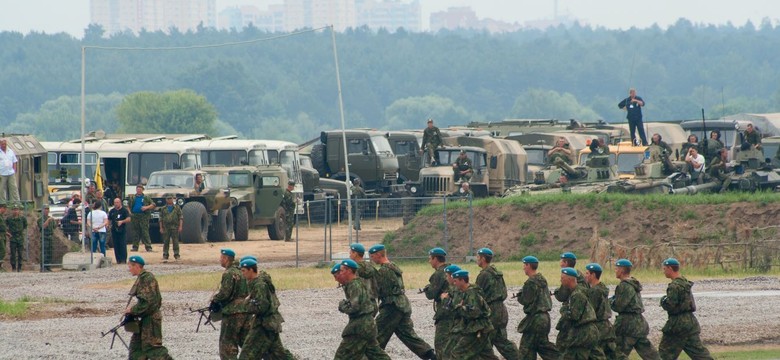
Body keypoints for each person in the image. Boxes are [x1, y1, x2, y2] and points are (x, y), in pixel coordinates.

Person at [368, 244, 436, 360]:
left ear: (379, 255)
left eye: (373, 256)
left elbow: (381, 290)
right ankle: (430, 356)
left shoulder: (384, 271)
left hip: (391, 307)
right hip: (402, 305)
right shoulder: (393, 267)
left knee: (375, 336)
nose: (372, 259)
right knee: (408, 335)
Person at [334, 259, 391, 360]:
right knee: (376, 354)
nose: (340, 273)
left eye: (342, 271)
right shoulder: (357, 283)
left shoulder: (354, 285)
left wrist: (342, 306)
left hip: (360, 326)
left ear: (349, 271)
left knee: (342, 355)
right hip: (368, 325)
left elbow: (354, 307)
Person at [659, 258, 713, 360]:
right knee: (699, 353)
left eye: (664, 268)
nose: (664, 271)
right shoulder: (685, 282)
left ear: (670, 268)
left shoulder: (674, 286)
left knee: (665, 353)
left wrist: (663, 301)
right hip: (690, 322)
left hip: (677, 324)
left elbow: (671, 306)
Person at [238, 257, 291, 360]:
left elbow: (261, 307)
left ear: (251, 270)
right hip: (270, 324)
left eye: (244, 271)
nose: (242, 274)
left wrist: (246, 303)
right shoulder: (257, 282)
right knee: (278, 354)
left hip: (264, 325)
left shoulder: (259, 285)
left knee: (246, 355)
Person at [125, 255, 173, 359]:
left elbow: (146, 302)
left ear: (137, 266)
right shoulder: (142, 278)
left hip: (150, 320)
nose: (129, 269)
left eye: (130, 266)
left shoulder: (146, 279)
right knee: (136, 350)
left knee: (152, 349)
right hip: (144, 319)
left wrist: (132, 310)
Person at [475, 247, 519, 359]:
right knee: (501, 340)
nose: (477, 259)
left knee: (483, 342)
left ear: (483, 259)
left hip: (491, 310)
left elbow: (477, 295)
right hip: (501, 309)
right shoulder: (497, 273)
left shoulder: (484, 275)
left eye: (478, 257)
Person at [611, 259, 660, 360]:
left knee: (617, 353)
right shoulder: (633, 284)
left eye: (616, 269)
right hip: (639, 323)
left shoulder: (624, 286)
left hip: (627, 325)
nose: (615, 271)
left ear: (621, 270)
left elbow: (619, 306)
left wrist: (611, 302)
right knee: (650, 355)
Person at [516, 255, 560, 360]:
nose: (523, 268)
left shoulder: (530, 283)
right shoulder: (542, 279)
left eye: (524, 265)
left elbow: (526, 300)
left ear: (529, 266)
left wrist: (519, 296)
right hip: (545, 318)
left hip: (535, 319)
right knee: (541, 346)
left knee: (526, 349)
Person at [447, 269, 498, 360]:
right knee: (486, 356)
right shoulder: (466, 292)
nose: (454, 283)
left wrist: (459, 307)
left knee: (457, 353)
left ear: (462, 280)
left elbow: (474, 312)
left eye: (456, 281)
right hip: (479, 328)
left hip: (476, 329)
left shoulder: (472, 293)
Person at [558, 267, 604, 359]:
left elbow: (574, 316)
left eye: (562, 278)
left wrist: (564, 310)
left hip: (583, 332)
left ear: (569, 279)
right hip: (589, 331)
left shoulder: (577, 294)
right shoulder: (578, 291)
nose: (560, 280)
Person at [212, 248, 250, 360]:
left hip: (233, 312)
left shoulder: (229, 273)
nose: (220, 260)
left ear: (225, 259)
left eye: (221, 258)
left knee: (227, 345)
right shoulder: (242, 271)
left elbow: (225, 293)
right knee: (246, 342)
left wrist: (215, 300)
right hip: (246, 310)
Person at [553, 252, 588, 354]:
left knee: (562, 344)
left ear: (566, 262)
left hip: (571, 313)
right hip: (581, 314)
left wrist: (556, 292)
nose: (560, 264)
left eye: (562, 261)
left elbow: (562, 296)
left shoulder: (568, 275)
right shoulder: (579, 274)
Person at [584, 263, 618, 359]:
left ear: (593, 275)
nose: (585, 276)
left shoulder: (595, 291)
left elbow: (591, 310)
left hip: (599, 327)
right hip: (606, 326)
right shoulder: (601, 288)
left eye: (587, 273)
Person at [422, 247, 451, 357]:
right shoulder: (450, 269)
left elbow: (431, 295)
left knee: (441, 344)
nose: (429, 261)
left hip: (444, 311)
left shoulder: (438, 274)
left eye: (430, 258)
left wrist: (427, 289)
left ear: (435, 259)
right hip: (456, 310)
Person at [438, 264, 462, 359]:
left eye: (447, 275)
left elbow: (452, 307)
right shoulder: (455, 288)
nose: (446, 278)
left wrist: (444, 299)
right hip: (455, 323)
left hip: (452, 322)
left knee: (446, 349)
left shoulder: (454, 290)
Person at [349, 243, 378, 315]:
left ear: (355, 254)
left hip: (362, 304)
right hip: (373, 302)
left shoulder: (354, 269)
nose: (349, 254)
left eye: (350, 252)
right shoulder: (371, 267)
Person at [129, 185, 154, 252]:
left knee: (145, 231)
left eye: (140, 189)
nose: (138, 190)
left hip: (144, 216)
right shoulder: (132, 197)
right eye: (137, 189)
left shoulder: (146, 197)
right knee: (135, 232)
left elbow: (153, 204)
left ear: (142, 190)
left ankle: (148, 247)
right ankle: (135, 246)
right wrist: (130, 213)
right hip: (135, 216)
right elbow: (128, 206)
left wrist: (146, 207)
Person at [158, 195, 183, 261]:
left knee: (175, 242)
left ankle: (177, 255)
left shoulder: (177, 208)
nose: (169, 200)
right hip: (166, 227)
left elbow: (180, 217)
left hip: (175, 227)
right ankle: (165, 255)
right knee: (166, 242)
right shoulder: (163, 208)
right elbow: (161, 219)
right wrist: (161, 227)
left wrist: (180, 226)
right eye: (168, 199)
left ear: (173, 199)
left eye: (170, 199)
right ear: (166, 200)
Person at [108, 197, 131, 264]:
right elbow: (109, 219)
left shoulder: (124, 210)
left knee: (122, 244)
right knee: (116, 245)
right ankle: (118, 260)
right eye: (115, 202)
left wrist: (122, 221)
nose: (116, 204)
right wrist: (108, 225)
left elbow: (129, 219)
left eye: (117, 202)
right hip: (114, 230)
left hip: (122, 230)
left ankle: (123, 259)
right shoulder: (112, 211)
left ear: (120, 203)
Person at [7, 204, 27, 272]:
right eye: (14, 210)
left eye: (17, 210)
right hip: (13, 237)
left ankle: (20, 267)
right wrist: (8, 233)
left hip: (20, 237)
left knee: (20, 253)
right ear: (12, 211)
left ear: (19, 211)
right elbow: (5, 226)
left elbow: (25, 225)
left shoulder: (22, 218)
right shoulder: (9, 218)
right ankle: (13, 267)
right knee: (13, 253)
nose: (15, 211)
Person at [0, 138, 20, 203]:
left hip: (11, 173)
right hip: (2, 174)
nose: (4, 145)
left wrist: (14, 170)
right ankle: (2, 203)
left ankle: (15, 203)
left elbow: (14, 161)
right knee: (1, 189)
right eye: (2, 144)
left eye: (5, 144)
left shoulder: (10, 151)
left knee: (13, 188)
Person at [39, 204, 58, 272]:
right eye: (45, 209)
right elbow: (42, 227)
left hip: (50, 237)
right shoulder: (41, 219)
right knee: (44, 253)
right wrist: (48, 220)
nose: (46, 210)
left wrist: (56, 221)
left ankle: (48, 266)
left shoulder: (51, 219)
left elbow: (54, 227)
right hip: (45, 237)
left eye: (47, 209)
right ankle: (43, 267)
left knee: (50, 253)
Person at [0, 201, 7, 271]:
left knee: (2, 250)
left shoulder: (1, 216)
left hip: (3, 234)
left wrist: (6, 233)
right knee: (2, 250)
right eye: (4, 209)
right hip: (0, 235)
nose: (5, 210)